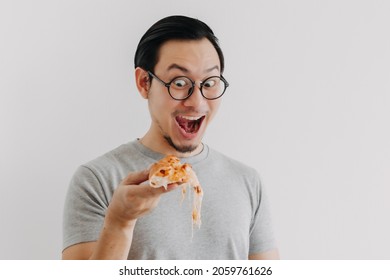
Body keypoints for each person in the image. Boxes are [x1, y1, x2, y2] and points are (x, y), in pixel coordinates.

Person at [62, 15, 279, 260]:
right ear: (144, 83)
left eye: (209, 83)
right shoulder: (97, 180)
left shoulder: (247, 181)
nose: (197, 101)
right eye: (179, 82)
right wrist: (120, 223)